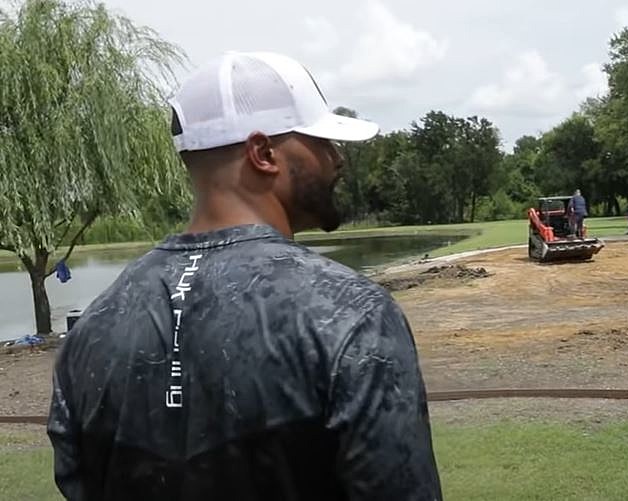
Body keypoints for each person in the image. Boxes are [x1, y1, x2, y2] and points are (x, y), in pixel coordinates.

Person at [46, 51, 443, 501]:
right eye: (321, 142)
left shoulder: (94, 326)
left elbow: (76, 477)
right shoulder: (352, 314)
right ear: (263, 153)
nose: (337, 159)